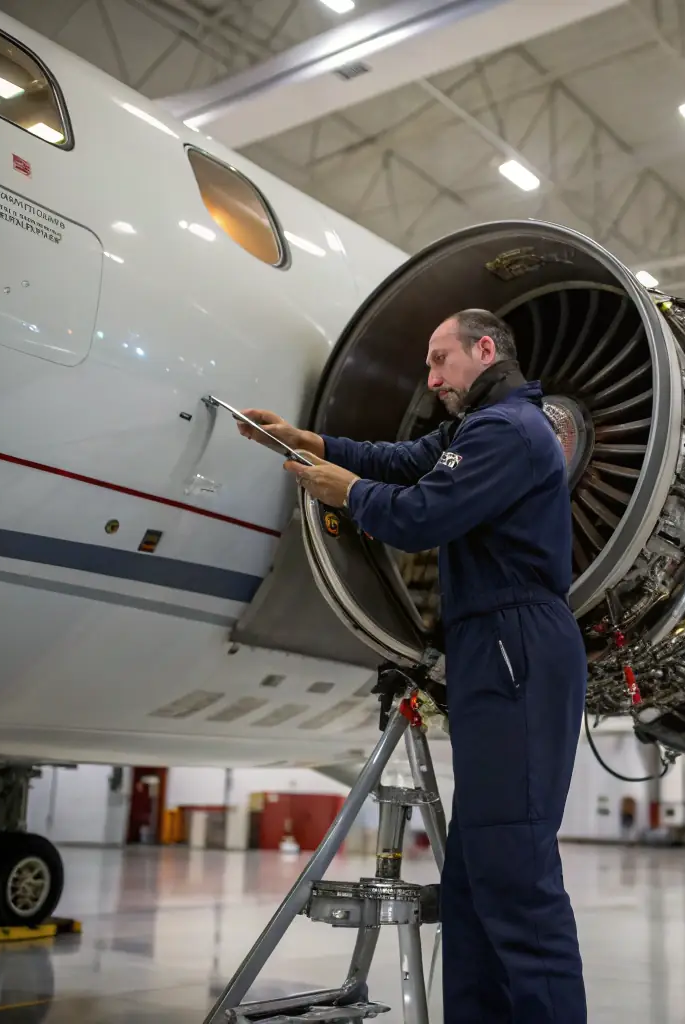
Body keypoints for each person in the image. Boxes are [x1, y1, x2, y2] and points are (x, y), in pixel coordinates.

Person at [237, 309, 588, 1024]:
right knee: (472, 876)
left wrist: (345, 492)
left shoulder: (507, 430)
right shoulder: (479, 428)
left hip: (512, 642)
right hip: (491, 645)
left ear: (484, 350)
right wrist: (311, 443)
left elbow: (422, 512)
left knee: (513, 873)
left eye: (440, 361)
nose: (430, 380)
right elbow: (407, 461)